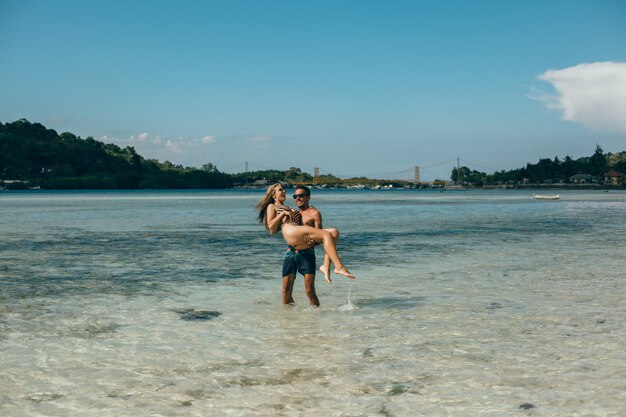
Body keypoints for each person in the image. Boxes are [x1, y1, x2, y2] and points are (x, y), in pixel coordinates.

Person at [257, 183, 355, 304]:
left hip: (303, 244)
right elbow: (271, 229)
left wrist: (310, 238)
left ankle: (326, 267)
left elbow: (317, 233)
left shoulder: (296, 209)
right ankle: (337, 267)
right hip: (292, 244)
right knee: (286, 291)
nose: (284, 192)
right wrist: (283, 213)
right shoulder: (272, 206)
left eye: (284, 190)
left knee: (333, 232)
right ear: (273, 194)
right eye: (280, 190)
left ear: (308, 197)